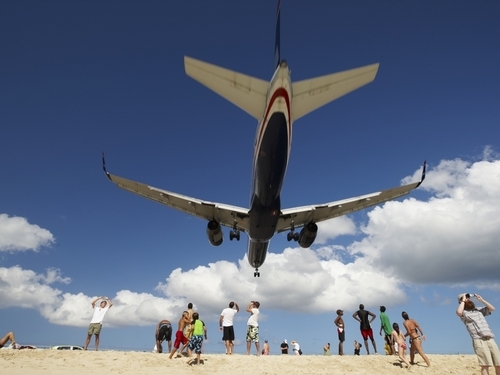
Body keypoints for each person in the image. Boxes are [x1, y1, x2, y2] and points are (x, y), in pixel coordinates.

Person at [456, 293, 500, 375]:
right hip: (479, 340)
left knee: (498, 363)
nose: (468, 299)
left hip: (490, 338)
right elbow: (459, 312)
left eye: (469, 298)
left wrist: (481, 300)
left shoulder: (478, 310)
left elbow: (492, 308)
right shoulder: (464, 313)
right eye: (466, 298)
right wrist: (463, 300)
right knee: (485, 365)